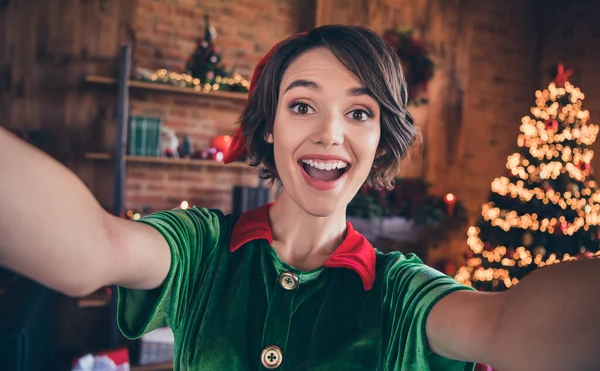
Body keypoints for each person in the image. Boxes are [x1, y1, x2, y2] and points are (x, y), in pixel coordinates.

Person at [0, 24, 599, 371]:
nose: (329, 134)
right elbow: (91, 247)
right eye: (302, 105)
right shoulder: (203, 249)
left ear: (379, 137)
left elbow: (505, 326)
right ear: (269, 125)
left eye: (359, 112)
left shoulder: (401, 291)